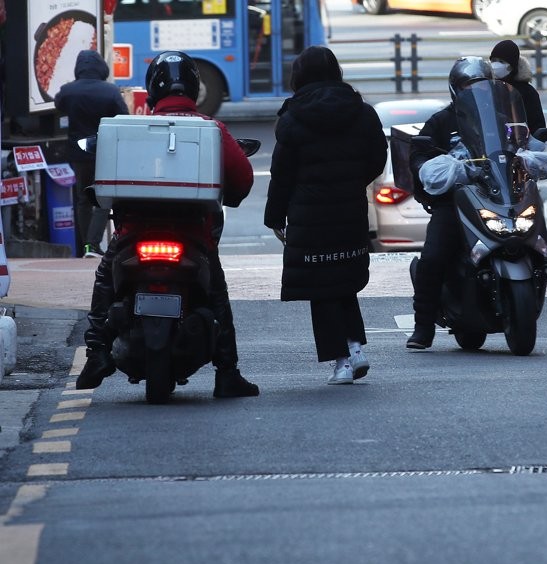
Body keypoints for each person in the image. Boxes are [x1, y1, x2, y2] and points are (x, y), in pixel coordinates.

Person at [76, 51, 260, 398]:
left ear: (153, 89)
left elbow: (100, 181)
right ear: (193, 87)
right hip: (193, 237)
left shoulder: (128, 128)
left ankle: (96, 353)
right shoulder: (212, 129)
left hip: (132, 235)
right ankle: (227, 372)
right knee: (217, 294)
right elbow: (242, 180)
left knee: (104, 278)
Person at [264, 46, 387, 385]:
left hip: (309, 214)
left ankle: (343, 361)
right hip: (349, 208)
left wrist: (275, 217)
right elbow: (378, 158)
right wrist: (350, 182)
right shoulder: (362, 112)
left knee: (322, 284)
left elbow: (282, 173)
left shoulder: (293, 117)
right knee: (343, 280)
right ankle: (355, 345)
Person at [406, 57, 493, 350]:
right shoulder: (442, 120)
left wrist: (534, 151)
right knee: (433, 256)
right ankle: (423, 327)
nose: (474, 90)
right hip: (454, 202)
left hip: (497, 197)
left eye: (480, 85)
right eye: (469, 85)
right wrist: (427, 164)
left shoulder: (499, 118)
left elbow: (521, 141)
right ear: (456, 88)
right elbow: (419, 151)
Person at [54, 50, 128, 258]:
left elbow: (59, 106)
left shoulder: (68, 91)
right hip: (103, 152)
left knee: (82, 198)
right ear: (101, 67)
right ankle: (93, 245)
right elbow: (124, 117)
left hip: (77, 153)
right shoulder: (110, 91)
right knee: (103, 199)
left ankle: (84, 246)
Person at [489, 40, 546, 134]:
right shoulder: (487, 87)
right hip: (491, 144)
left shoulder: (527, 92)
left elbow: (537, 125)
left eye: (501, 61)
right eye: (493, 60)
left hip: (520, 143)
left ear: (512, 66)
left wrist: (534, 141)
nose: (496, 65)